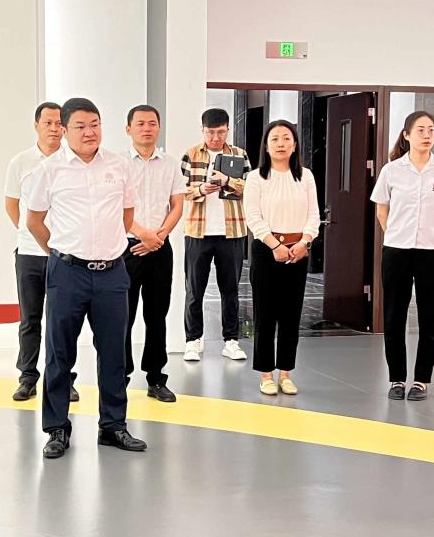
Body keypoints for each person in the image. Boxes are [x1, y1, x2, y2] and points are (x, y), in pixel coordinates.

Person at [25, 97, 147, 459]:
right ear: (64, 129)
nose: (89, 132)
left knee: (113, 353)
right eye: (80, 126)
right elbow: (34, 220)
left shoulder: (119, 165)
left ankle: (113, 425)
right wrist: (60, 252)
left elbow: (127, 216)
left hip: (112, 273)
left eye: (95, 124)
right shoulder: (50, 170)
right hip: (67, 272)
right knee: (59, 354)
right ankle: (57, 428)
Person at [371, 110, 434, 402]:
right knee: (394, 315)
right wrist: (395, 234)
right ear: (407, 135)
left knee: (430, 316)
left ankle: (422, 380)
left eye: (431, 130)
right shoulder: (392, 170)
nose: (427, 135)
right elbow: (382, 209)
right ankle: (397, 379)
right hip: (396, 251)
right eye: (421, 130)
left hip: (432, 252)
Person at [2, 102, 76, 404]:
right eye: (48, 123)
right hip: (30, 253)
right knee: (30, 319)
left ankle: (64, 379)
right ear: (36, 126)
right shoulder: (21, 162)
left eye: (59, 123)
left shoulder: (73, 161)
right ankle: (28, 377)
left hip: (66, 253)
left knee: (63, 321)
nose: (54, 129)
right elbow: (12, 204)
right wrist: (31, 232)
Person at [242, 120, 320, 396]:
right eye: (274, 139)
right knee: (265, 313)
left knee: (291, 314)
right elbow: (253, 217)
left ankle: (286, 372)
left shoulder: (305, 176)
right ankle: (266, 374)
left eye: (286, 138)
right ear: (266, 145)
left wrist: (305, 241)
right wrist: (274, 244)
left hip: (298, 250)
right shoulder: (256, 178)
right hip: (266, 249)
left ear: (295, 144)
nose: (281, 144)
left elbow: (314, 215)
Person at [123, 104, 186, 403]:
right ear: (128, 129)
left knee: (157, 315)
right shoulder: (118, 164)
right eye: (140, 123)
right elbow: (115, 207)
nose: (146, 128)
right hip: (126, 247)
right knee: (122, 316)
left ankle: (156, 378)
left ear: (158, 128)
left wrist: (157, 237)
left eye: (152, 123)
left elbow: (177, 205)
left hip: (160, 248)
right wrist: (142, 234)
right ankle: (119, 376)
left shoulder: (170, 164)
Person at [180, 108, 249, 363]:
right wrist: (201, 189)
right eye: (210, 132)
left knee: (230, 290)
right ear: (202, 130)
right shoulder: (190, 154)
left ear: (228, 129)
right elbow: (180, 190)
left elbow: (250, 187)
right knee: (194, 290)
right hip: (197, 232)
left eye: (221, 132)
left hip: (232, 232)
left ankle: (231, 341)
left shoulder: (239, 154)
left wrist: (227, 181)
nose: (215, 137)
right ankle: (193, 341)